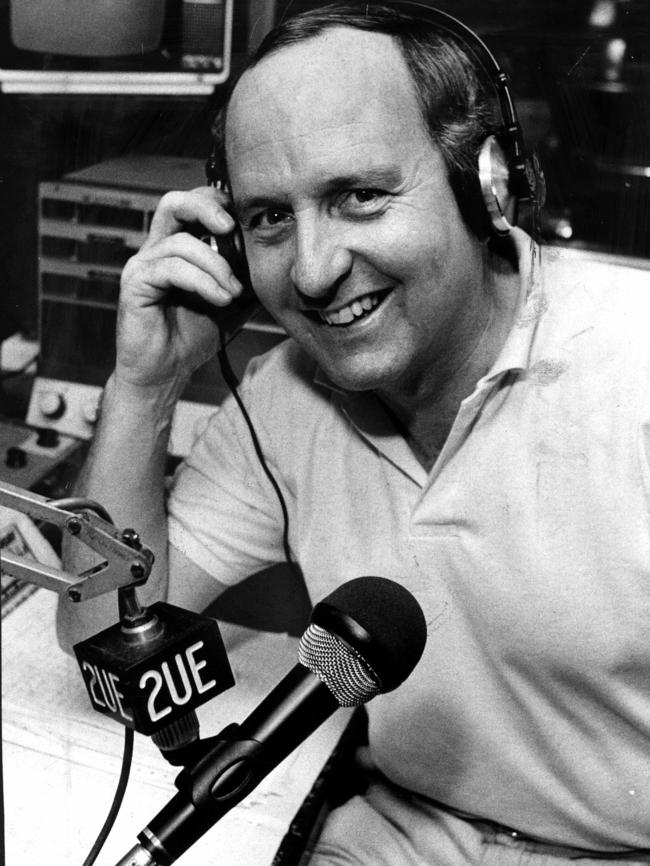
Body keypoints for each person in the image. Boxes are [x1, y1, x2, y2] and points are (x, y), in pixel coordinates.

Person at [57, 2, 650, 863]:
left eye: (360, 196)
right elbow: (103, 644)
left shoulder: (633, 362)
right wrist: (146, 386)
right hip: (392, 833)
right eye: (269, 219)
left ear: (487, 183)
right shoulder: (283, 397)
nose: (311, 269)